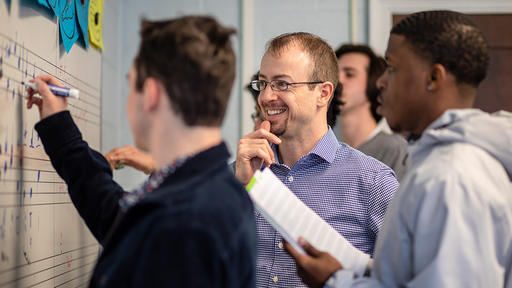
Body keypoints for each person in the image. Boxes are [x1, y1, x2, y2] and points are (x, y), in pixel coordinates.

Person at [285, 10, 512, 287]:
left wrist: (335, 282)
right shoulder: (435, 163)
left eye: (392, 68)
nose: (381, 82)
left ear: (434, 78)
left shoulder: (452, 177)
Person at [26, 16, 257, 287]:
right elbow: (119, 220)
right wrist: (60, 128)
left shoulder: (188, 222)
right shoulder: (205, 189)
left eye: (130, 83)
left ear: (151, 95)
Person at [236, 32, 398, 287]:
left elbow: (409, 278)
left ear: (323, 93)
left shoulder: (372, 183)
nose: (266, 97)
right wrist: (236, 193)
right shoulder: (240, 174)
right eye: (263, 83)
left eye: (282, 84)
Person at [335, 44, 408, 180]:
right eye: (334, 74)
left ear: (374, 83)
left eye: (349, 74)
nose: (338, 81)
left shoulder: (395, 150)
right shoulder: (326, 151)